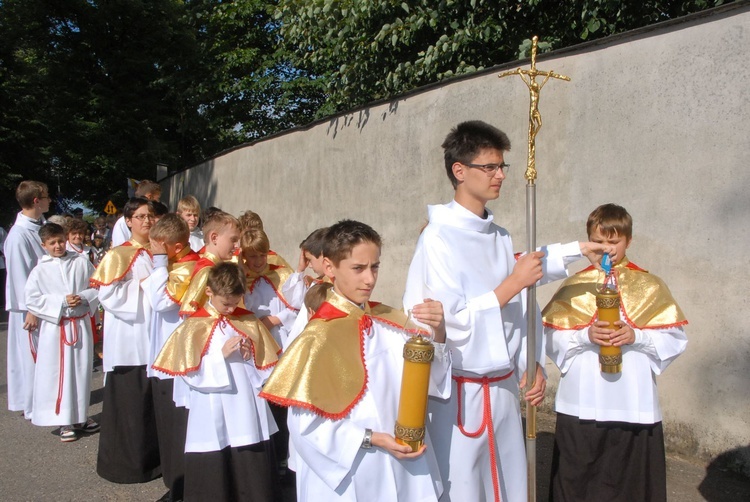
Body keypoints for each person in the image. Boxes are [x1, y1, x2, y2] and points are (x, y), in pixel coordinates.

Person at [402, 121, 613, 502]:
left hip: (500, 388)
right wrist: (512, 284)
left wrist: (529, 360)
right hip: (462, 394)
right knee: (464, 488)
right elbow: (449, 319)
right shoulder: (438, 239)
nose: (500, 175)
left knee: (507, 484)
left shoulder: (498, 235)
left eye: (502, 167)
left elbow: (519, 294)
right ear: (459, 170)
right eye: (490, 167)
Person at [261, 219, 452, 501]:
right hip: (355, 470)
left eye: (375, 267)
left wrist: (438, 333)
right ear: (329, 268)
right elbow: (305, 428)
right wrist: (371, 438)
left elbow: (428, 380)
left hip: (405, 460)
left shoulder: (390, 321)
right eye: (358, 268)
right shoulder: (316, 339)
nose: (370, 279)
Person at [543, 203, 688, 502]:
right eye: (600, 241)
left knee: (630, 484)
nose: (607, 248)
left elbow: (674, 338)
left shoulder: (650, 285)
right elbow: (551, 337)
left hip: (632, 402)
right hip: (582, 401)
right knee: (577, 479)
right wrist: (585, 334)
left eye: (614, 241)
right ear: (589, 240)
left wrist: (637, 336)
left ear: (629, 241)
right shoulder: (575, 285)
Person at [152, 262, 282, 502]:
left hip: (244, 400)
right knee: (215, 448)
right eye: (226, 303)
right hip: (212, 402)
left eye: (236, 302)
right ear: (209, 292)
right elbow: (189, 372)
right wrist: (218, 356)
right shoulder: (193, 325)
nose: (231, 309)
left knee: (249, 447)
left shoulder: (248, 320)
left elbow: (267, 364)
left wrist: (249, 353)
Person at [91, 197, 161, 483]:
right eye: (141, 216)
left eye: (150, 216)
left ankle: (151, 461)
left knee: (148, 405)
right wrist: (145, 289)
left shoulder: (157, 252)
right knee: (129, 405)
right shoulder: (118, 254)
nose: (147, 221)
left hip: (152, 336)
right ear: (128, 221)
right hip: (129, 338)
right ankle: (124, 465)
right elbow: (106, 294)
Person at [142, 214, 201, 501]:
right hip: (163, 354)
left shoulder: (187, 266)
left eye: (157, 246)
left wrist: (157, 263)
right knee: (168, 423)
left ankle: (181, 486)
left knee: (178, 424)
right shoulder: (173, 263)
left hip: (177, 358)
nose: (152, 250)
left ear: (175, 247)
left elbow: (160, 301)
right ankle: (174, 481)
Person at [24, 223, 100, 442]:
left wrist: (83, 296)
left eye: (60, 241)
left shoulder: (80, 262)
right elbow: (32, 298)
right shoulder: (40, 269)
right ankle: (63, 420)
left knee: (81, 371)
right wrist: (61, 301)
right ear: (43, 245)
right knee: (59, 373)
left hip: (79, 324)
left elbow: (96, 284)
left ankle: (80, 417)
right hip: (56, 328)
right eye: (52, 243)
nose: (57, 246)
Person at [4, 180, 49, 419]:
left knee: (42, 356)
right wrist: (30, 309)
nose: (50, 200)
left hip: (42, 303)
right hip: (29, 309)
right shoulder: (19, 235)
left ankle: (40, 400)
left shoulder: (39, 226)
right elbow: (20, 276)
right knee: (31, 356)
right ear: (36, 201)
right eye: (47, 197)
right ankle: (33, 405)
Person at [179, 211, 241, 317]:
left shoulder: (215, 267)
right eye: (233, 240)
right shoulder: (206, 271)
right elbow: (192, 314)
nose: (237, 246)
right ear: (214, 238)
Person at [111, 180, 162, 247]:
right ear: (149, 197)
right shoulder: (122, 223)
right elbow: (120, 251)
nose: (158, 202)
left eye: (150, 216)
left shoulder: (154, 219)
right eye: (157, 199)